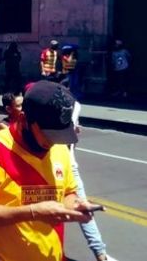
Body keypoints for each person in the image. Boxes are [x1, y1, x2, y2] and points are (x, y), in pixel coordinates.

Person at [0, 81, 98, 261]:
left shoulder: (59, 149)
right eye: (48, 134)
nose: (52, 142)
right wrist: (32, 212)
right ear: (24, 119)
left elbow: (68, 193)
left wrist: (76, 206)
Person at [68, 102, 117, 261]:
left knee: (84, 210)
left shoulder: (75, 105)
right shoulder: (73, 104)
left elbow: (71, 141)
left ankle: (101, 255)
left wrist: (73, 132)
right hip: (48, 164)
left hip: (68, 165)